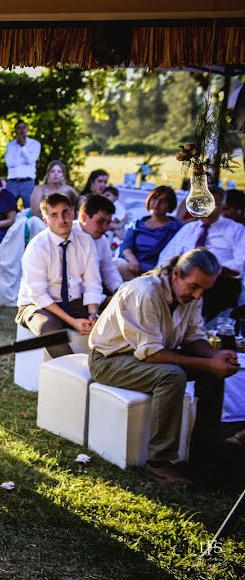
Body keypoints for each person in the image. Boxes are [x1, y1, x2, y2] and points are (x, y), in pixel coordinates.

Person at [88, 248, 240, 485]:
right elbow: (152, 354)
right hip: (109, 360)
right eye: (194, 287)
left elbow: (193, 336)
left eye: (204, 289)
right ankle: (158, 462)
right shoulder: (145, 292)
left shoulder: (190, 294)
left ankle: (205, 447)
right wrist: (208, 362)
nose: (199, 295)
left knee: (211, 374)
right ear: (177, 274)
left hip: (145, 356)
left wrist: (215, 356)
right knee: (171, 376)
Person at [16, 193, 103, 358]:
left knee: (109, 314)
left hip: (73, 300)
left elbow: (93, 282)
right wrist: (72, 322)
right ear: (45, 221)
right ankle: (72, 371)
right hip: (36, 304)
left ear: (73, 213)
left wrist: (93, 314)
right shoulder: (37, 247)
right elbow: (39, 295)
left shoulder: (85, 241)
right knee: (48, 327)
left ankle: (104, 365)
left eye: (65, 213)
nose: (61, 219)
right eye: (54, 215)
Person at [158, 187, 245, 321]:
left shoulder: (236, 230)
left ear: (223, 206)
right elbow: (166, 257)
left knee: (210, 284)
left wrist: (210, 269)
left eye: (214, 204)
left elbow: (241, 262)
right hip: (185, 278)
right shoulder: (189, 229)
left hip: (219, 280)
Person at [117, 186, 183, 281]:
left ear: (170, 205)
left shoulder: (176, 227)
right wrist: (132, 260)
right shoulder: (137, 224)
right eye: (154, 198)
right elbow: (126, 246)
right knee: (116, 264)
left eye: (163, 201)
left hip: (159, 272)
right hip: (134, 267)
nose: (157, 203)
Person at [75, 195, 123, 297]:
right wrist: (103, 300)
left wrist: (120, 292)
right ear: (84, 217)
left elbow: (109, 270)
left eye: (108, 222)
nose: (105, 227)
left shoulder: (102, 239)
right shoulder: (66, 236)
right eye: (100, 222)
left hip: (94, 297)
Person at [4, 120, 41, 209]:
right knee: (9, 208)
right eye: (19, 128)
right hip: (12, 182)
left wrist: (23, 146)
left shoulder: (34, 144)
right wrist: (22, 160)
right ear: (15, 130)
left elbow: (30, 160)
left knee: (30, 209)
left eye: (24, 127)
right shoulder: (10, 145)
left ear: (27, 129)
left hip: (28, 182)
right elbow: (9, 163)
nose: (22, 130)